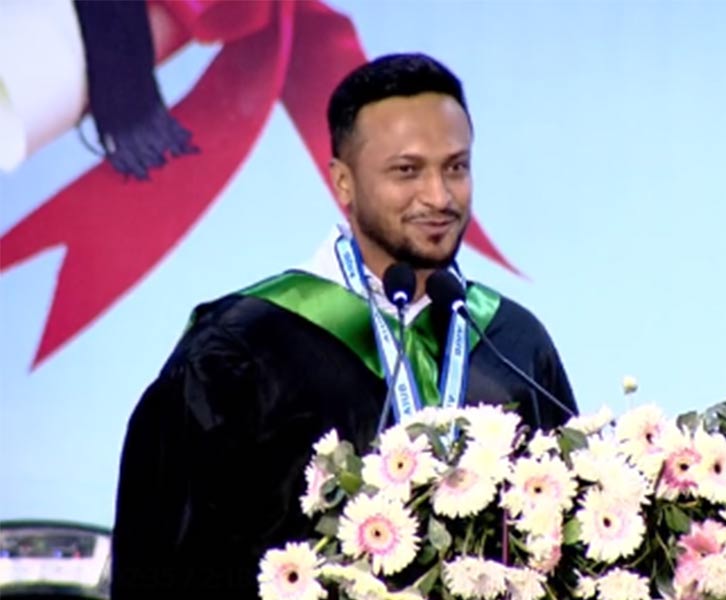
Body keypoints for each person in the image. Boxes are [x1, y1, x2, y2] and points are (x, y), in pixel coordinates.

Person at [110, 52, 577, 599]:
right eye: (407, 171)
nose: (439, 196)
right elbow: (160, 565)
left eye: (455, 167)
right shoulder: (242, 348)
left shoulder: (511, 342)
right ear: (343, 182)